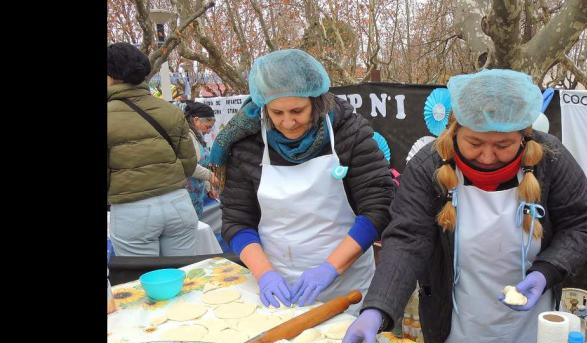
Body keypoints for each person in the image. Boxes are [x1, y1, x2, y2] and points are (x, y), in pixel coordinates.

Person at [340, 69, 587, 343]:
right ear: (454, 129)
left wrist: (546, 271)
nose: (488, 156)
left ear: (524, 136)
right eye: (475, 143)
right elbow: (408, 241)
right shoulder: (428, 167)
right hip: (455, 326)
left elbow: (582, 224)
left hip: (531, 327)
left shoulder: (551, 161)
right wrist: (376, 309)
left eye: (503, 145)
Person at [212, 49, 393, 313]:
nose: (288, 122)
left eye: (298, 110)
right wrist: (264, 274)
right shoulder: (247, 145)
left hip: (347, 284)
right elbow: (237, 220)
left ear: (316, 102)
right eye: (277, 113)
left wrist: (330, 268)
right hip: (278, 284)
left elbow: (379, 206)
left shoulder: (349, 133)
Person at [107, 42, 198, 256]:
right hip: (178, 203)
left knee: (141, 284)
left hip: (132, 210)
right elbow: (189, 163)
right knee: (184, 279)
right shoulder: (171, 111)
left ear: (111, 75)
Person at [183, 101, 220, 218]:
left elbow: (202, 166)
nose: (208, 131)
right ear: (196, 120)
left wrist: (209, 188)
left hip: (196, 195)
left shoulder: (197, 137)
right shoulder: (187, 137)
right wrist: (211, 176)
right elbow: (191, 166)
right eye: (207, 126)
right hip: (187, 197)